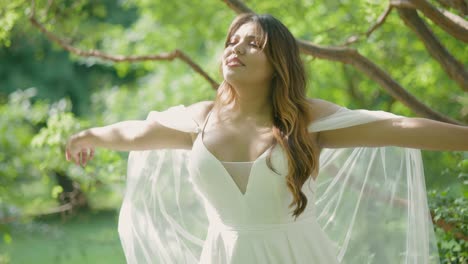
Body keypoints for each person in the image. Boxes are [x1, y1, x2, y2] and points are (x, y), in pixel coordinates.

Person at [66, 13, 467, 264]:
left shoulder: (306, 118)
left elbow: (396, 129)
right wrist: (90, 136)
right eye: (232, 41)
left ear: (278, 63)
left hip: (296, 254)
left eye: (252, 43)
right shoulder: (199, 120)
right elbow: (137, 131)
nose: (235, 48)